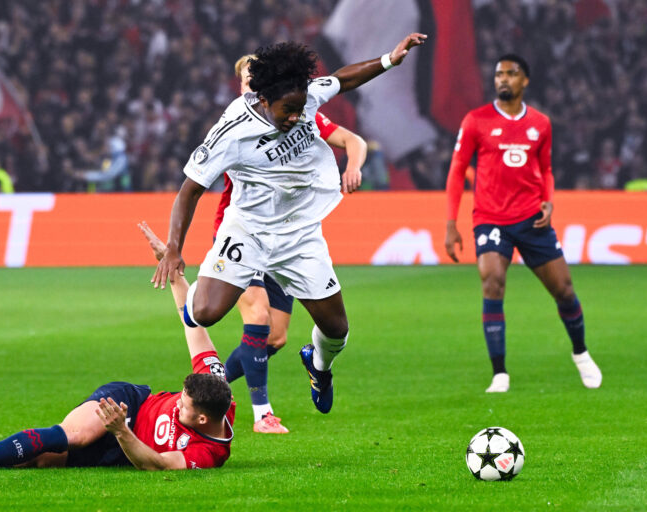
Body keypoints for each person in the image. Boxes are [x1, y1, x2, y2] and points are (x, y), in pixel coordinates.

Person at [152, 34, 427, 414]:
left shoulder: (305, 96)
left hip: (299, 234)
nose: (296, 117)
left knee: (337, 330)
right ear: (263, 100)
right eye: (288, 111)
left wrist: (389, 59)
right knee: (204, 314)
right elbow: (189, 190)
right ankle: (209, 280)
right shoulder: (232, 130)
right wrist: (174, 248)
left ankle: (318, 365)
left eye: (300, 108)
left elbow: (344, 80)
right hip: (248, 231)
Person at [0, 242, 235, 471]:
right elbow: (191, 325)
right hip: (127, 403)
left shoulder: (209, 452)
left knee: (38, 460)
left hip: (122, 445)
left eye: (183, 405)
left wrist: (122, 433)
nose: (177, 401)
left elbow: (159, 465)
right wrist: (174, 272)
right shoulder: (213, 385)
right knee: (75, 436)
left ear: (203, 420)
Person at [216, 54, 367, 433]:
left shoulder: (298, 115)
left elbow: (350, 138)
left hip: (288, 238)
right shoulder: (237, 126)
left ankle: (211, 383)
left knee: (277, 336)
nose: (250, 86)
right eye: (245, 81)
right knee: (259, 319)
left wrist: (352, 164)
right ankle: (261, 413)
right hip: (245, 235)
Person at [444, 54, 602, 393]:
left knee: (564, 290)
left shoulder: (541, 123)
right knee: (492, 282)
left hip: (532, 218)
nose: (503, 79)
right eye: (499, 73)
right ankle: (499, 373)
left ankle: (581, 352)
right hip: (490, 218)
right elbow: (457, 170)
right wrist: (450, 222)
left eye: (511, 74)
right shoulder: (475, 120)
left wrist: (549, 201)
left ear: (524, 81)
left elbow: (545, 169)